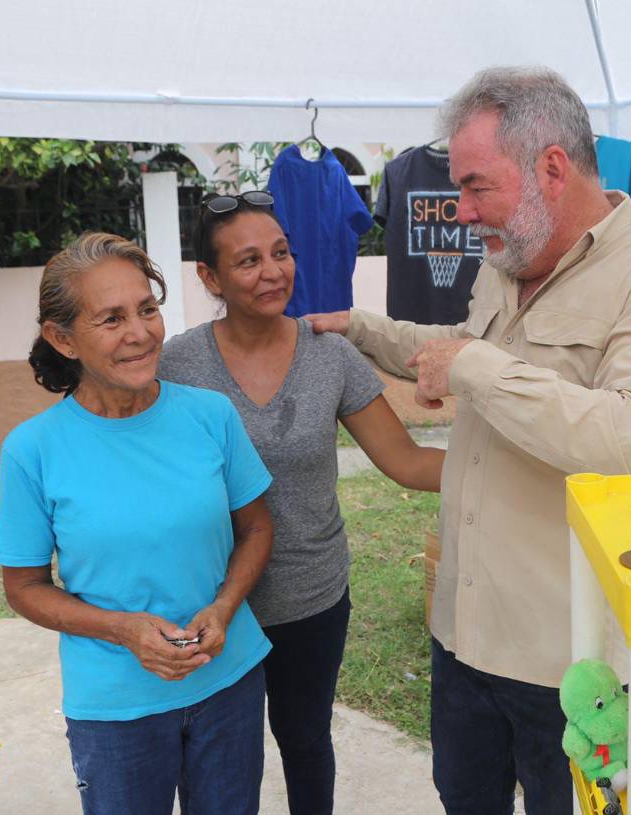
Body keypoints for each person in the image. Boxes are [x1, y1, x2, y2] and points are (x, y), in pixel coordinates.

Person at [307, 67, 631, 814]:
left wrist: (475, 367)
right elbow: (463, 346)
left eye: (475, 186)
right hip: (464, 636)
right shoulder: (508, 261)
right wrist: (360, 330)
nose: (460, 211)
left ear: (551, 168)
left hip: (570, 661)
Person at [159, 190, 445, 815]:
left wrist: (514, 472)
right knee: (218, 754)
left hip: (310, 596)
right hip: (212, 602)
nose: (273, 272)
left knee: (305, 741)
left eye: (281, 253)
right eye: (249, 260)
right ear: (210, 277)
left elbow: (406, 460)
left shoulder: (330, 355)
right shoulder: (176, 364)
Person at [0, 233, 275, 815]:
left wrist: (223, 609)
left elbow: (256, 529)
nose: (140, 333)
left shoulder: (209, 415)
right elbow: (23, 587)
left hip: (228, 682)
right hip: (115, 706)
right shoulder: (33, 450)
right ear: (62, 338)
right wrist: (124, 630)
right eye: (111, 319)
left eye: (147, 309)